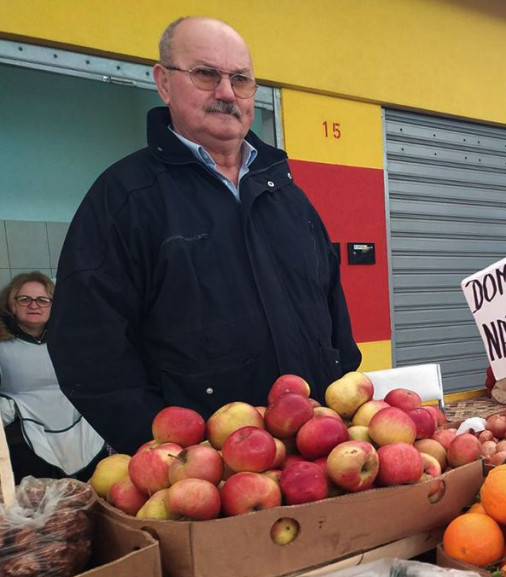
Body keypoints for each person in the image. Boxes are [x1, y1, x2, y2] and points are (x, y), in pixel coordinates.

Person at [48, 17, 361, 455]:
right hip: (201, 477)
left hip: (317, 454)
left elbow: (332, 307)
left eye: (241, 79)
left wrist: (342, 408)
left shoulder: (288, 195)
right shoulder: (126, 198)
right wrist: (161, 449)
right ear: (164, 82)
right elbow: (86, 345)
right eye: (206, 74)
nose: (227, 93)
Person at [1, 272, 107, 480]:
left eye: (43, 300)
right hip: (21, 426)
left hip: (77, 421)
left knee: (95, 479)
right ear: (10, 303)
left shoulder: (71, 339)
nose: (34, 305)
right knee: (36, 487)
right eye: (24, 299)